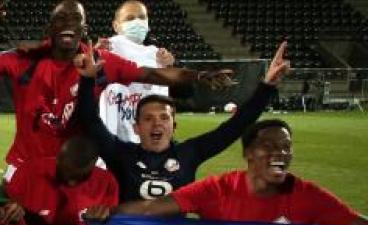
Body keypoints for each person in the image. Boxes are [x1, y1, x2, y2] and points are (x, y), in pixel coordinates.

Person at [0, 0, 236, 178]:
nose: (68, 24)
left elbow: (153, 75)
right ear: (49, 28)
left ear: (85, 29)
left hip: (78, 171)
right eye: (61, 19)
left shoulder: (102, 61)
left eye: (75, 20)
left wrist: (198, 75)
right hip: (28, 167)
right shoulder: (26, 59)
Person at [73, 42, 289, 201]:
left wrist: (267, 86)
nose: (157, 124)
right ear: (136, 128)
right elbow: (89, 120)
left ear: (174, 126)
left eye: (164, 117)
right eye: (148, 118)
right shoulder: (121, 154)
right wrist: (86, 80)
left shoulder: (189, 153)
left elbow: (236, 125)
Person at [102, 118, 368, 225]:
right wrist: (108, 212)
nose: (280, 153)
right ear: (248, 153)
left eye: (286, 147)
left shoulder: (307, 195)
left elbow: (354, 224)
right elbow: (151, 209)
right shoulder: (217, 190)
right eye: (269, 146)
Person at [4, 136, 118, 225]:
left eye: (78, 177)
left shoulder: (107, 183)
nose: (70, 182)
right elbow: (8, 222)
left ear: (94, 166)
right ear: (58, 158)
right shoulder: (29, 172)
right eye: (64, 173)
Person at [97, 0, 177, 143]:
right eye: (130, 18)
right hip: (117, 136)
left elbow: (164, 95)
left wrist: (167, 67)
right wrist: (96, 54)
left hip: (148, 133)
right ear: (116, 26)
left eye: (142, 17)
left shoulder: (157, 54)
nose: (137, 22)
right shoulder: (110, 47)